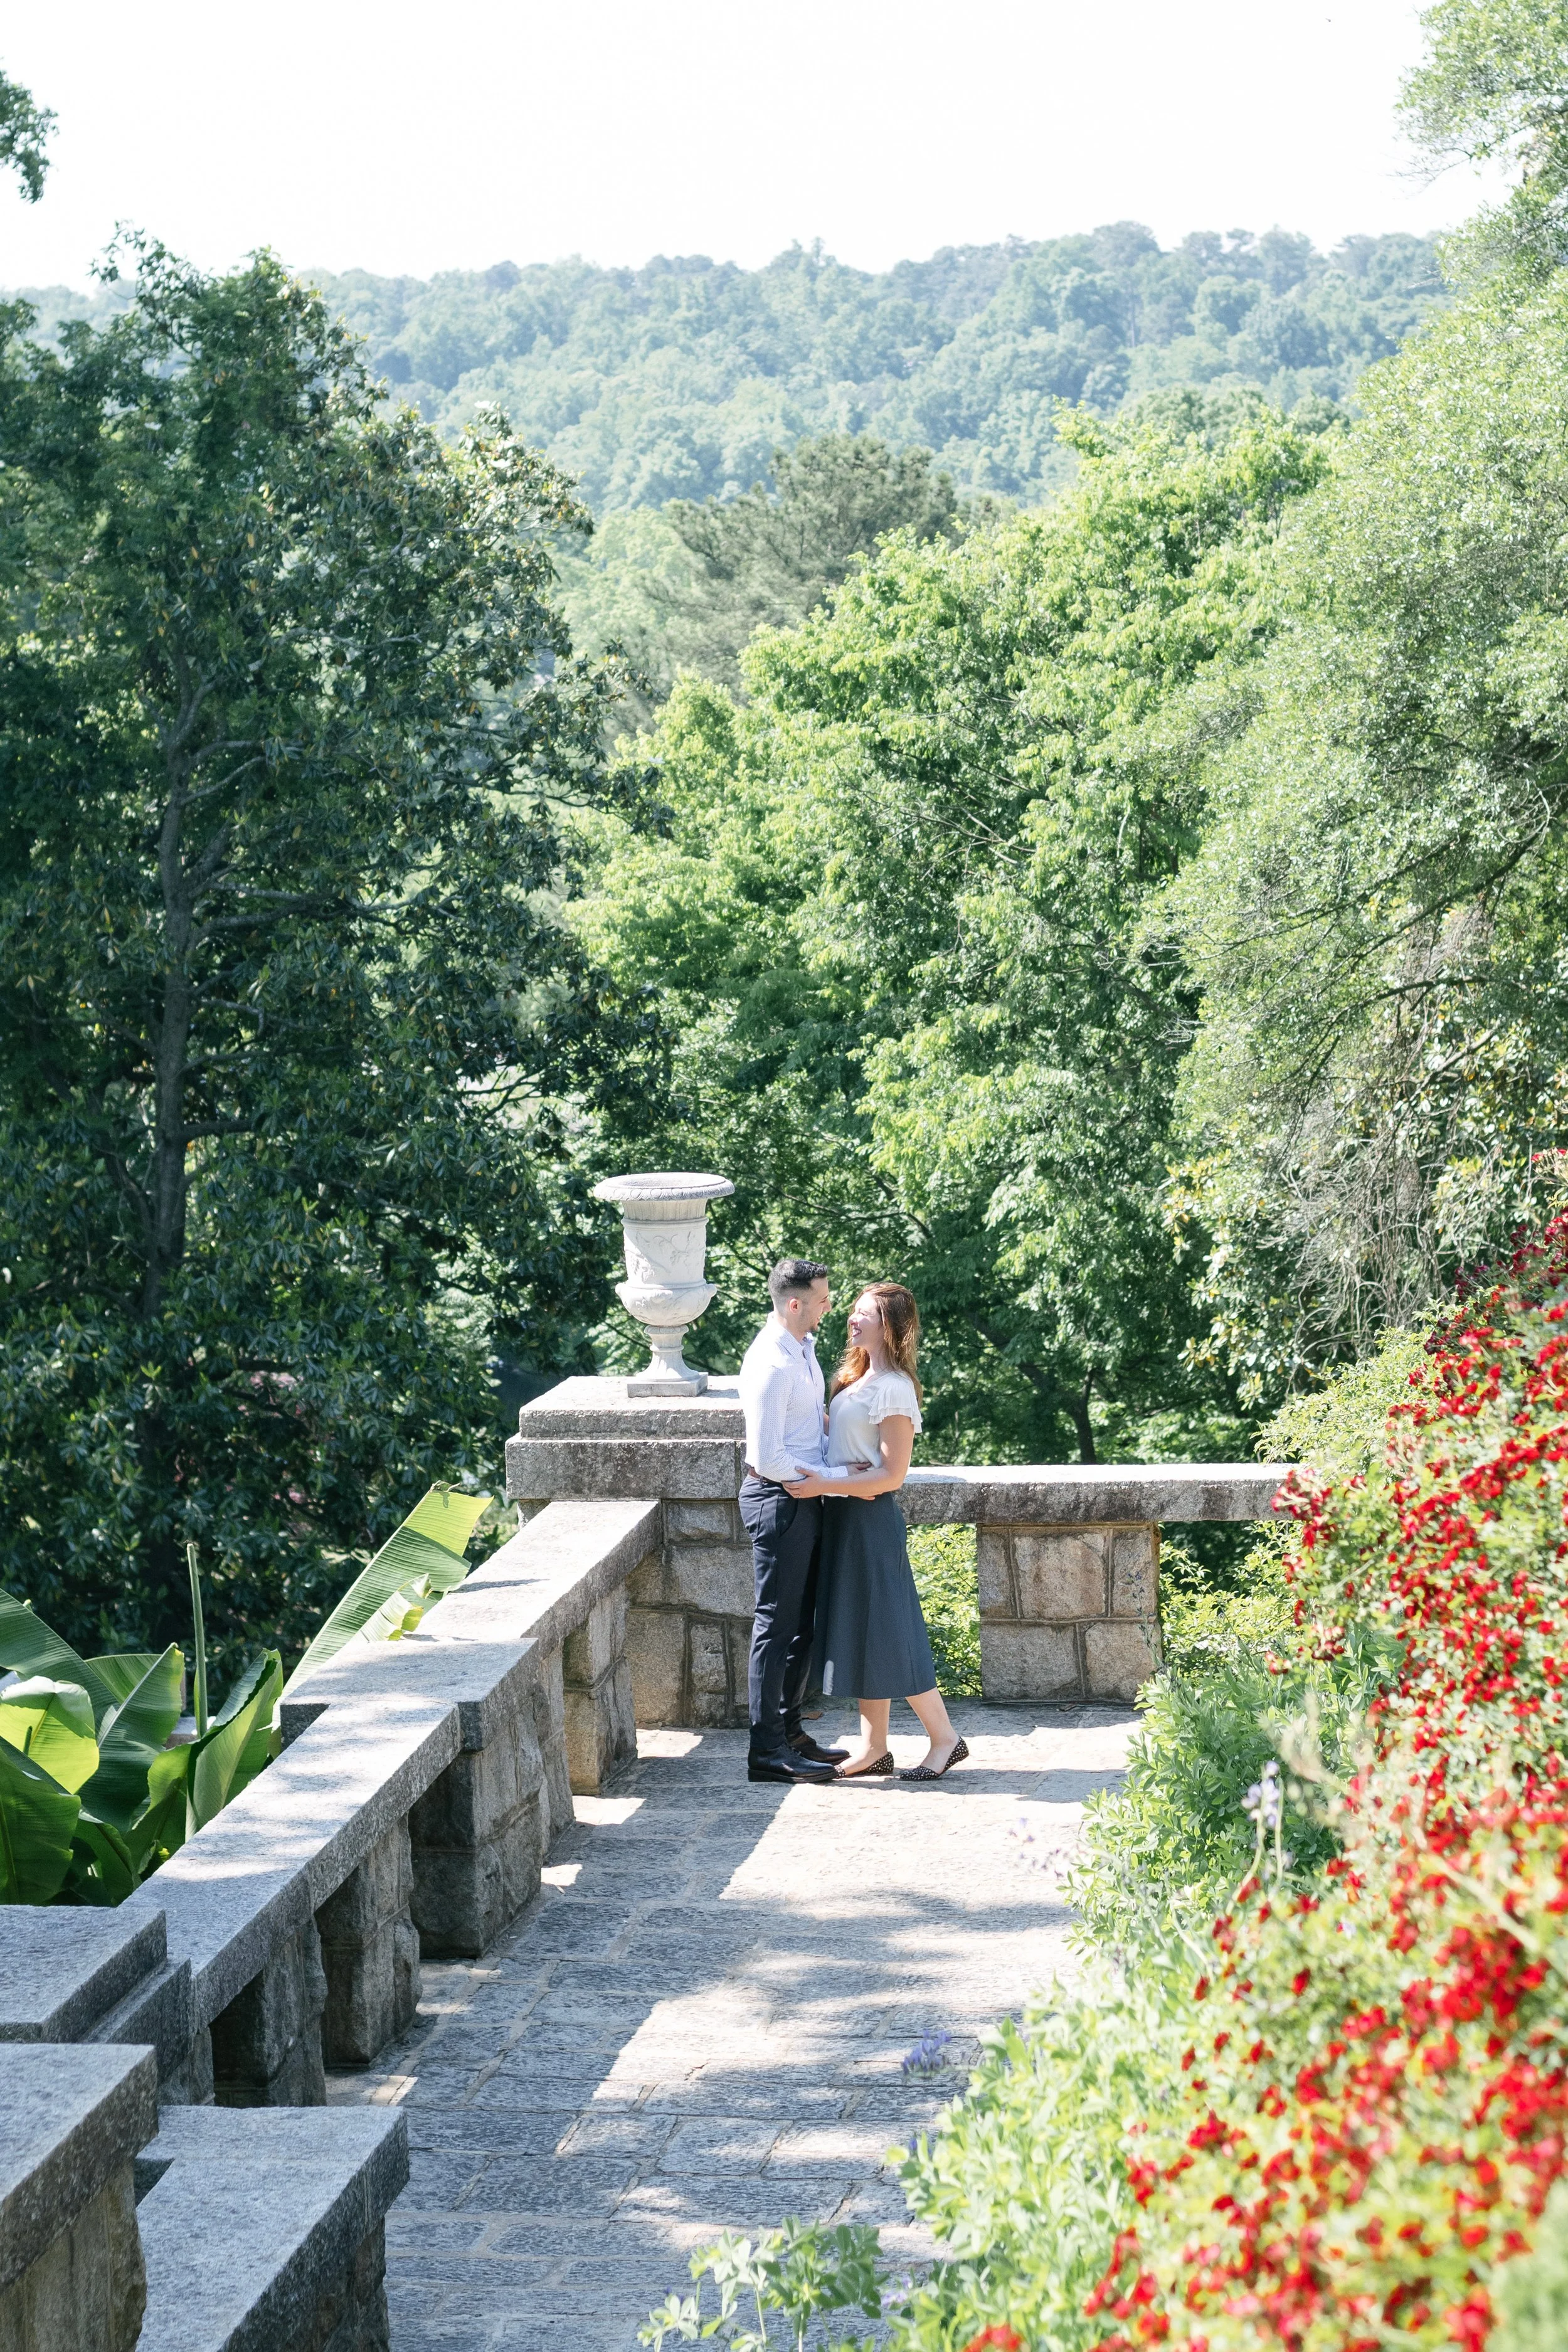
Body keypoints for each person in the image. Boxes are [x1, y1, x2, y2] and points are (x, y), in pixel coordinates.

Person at [786, 1283, 968, 1783]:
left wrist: (824, 1483)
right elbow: (846, 1445)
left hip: (870, 1523)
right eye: (854, 1311)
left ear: (889, 1326)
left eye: (865, 1313)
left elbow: (892, 1475)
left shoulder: (894, 1388)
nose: (852, 1319)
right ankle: (873, 1748)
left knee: (891, 1631)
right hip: (845, 1518)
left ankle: (946, 1739)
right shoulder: (857, 1379)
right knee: (866, 1631)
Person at [736, 1258, 853, 1784]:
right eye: (823, 1298)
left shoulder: (802, 1349)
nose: (829, 1306)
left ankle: (790, 1735)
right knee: (776, 1628)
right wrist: (836, 1477)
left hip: (802, 1495)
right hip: (779, 1498)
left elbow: (806, 1430)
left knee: (801, 1626)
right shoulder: (771, 1364)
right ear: (794, 1303)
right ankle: (766, 1752)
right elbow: (768, 1457)